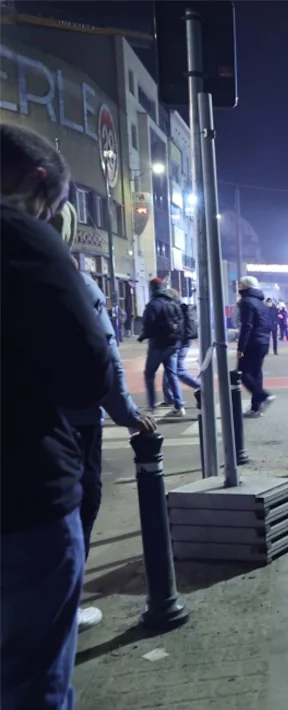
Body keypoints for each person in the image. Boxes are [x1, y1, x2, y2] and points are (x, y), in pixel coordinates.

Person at [2, 121, 114, 710]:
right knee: (33, 690)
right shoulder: (22, 236)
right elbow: (85, 374)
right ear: (40, 184)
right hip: (21, 496)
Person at [54, 201, 157, 632]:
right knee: (76, 508)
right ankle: (61, 607)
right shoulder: (72, 283)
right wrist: (129, 415)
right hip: (71, 423)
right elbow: (105, 360)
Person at [139, 277, 186, 416]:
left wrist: (143, 336)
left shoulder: (153, 304)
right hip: (173, 343)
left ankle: (152, 406)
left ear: (152, 288)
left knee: (149, 374)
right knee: (172, 374)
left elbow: (148, 324)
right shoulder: (172, 302)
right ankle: (179, 405)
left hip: (158, 345)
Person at [236, 276, 276, 417]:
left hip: (252, 342)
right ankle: (256, 408)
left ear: (245, 287)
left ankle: (263, 395)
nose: (238, 286)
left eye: (240, 284)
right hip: (263, 341)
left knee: (242, 373)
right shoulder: (261, 303)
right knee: (256, 373)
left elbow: (247, 326)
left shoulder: (246, 302)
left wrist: (241, 347)